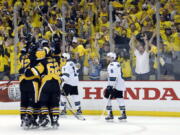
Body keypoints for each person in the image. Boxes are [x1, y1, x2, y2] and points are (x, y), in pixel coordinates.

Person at [104, 52, 127, 121]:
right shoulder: (117, 64)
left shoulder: (111, 65)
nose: (107, 58)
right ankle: (123, 114)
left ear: (112, 58)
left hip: (114, 84)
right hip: (120, 84)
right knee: (119, 98)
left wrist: (110, 86)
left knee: (107, 97)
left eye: (108, 56)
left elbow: (113, 76)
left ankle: (110, 114)